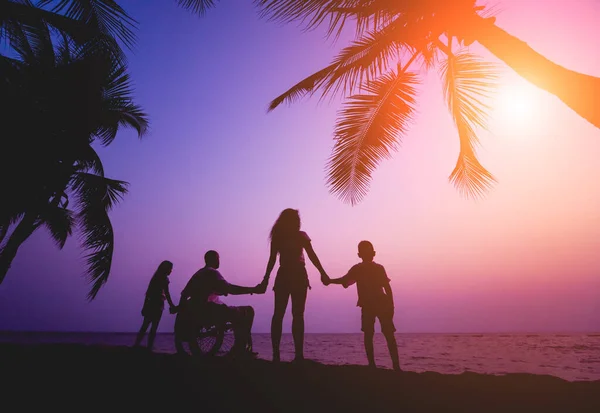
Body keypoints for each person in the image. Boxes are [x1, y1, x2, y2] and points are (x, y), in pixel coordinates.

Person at [258, 208, 330, 362]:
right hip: (293, 275)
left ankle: (284, 355)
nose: (299, 222)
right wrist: (265, 278)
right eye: (297, 219)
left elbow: (311, 255)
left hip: (290, 275)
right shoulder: (287, 237)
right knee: (291, 315)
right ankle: (291, 355)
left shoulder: (288, 237)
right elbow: (273, 260)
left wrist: (322, 273)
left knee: (284, 315)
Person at [326, 241, 401, 371]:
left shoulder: (376, 268)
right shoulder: (359, 269)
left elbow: (387, 287)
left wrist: (391, 305)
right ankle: (378, 365)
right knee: (373, 334)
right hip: (370, 305)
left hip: (379, 303)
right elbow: (345, 279)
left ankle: (391, 366)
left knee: (381, 334)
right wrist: (330, 281)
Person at [174, 250, 262, 357]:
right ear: (213, 259)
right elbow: (230, 289)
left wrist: (182, 310)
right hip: (211, 311)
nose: (219, 260)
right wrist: (252, 290)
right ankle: (239, 347)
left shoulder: (198, 274)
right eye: (218, 258)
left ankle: (240, 347)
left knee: (232, 311)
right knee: (248, 311)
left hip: (197, 310)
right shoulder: (212, 272)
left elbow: (184, 294)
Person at [134, 260, 176, 351]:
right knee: (153, 327)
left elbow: (148, 293)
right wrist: (172, 305)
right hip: (157, 305)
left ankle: (137, 345)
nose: (171, 271)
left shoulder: (156, 277)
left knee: (145, 325)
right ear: (167, 269)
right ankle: (149, 347)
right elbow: (167, 294)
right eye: (171, 269)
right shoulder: (164, 278)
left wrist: (144, 306)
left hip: (151, 304)